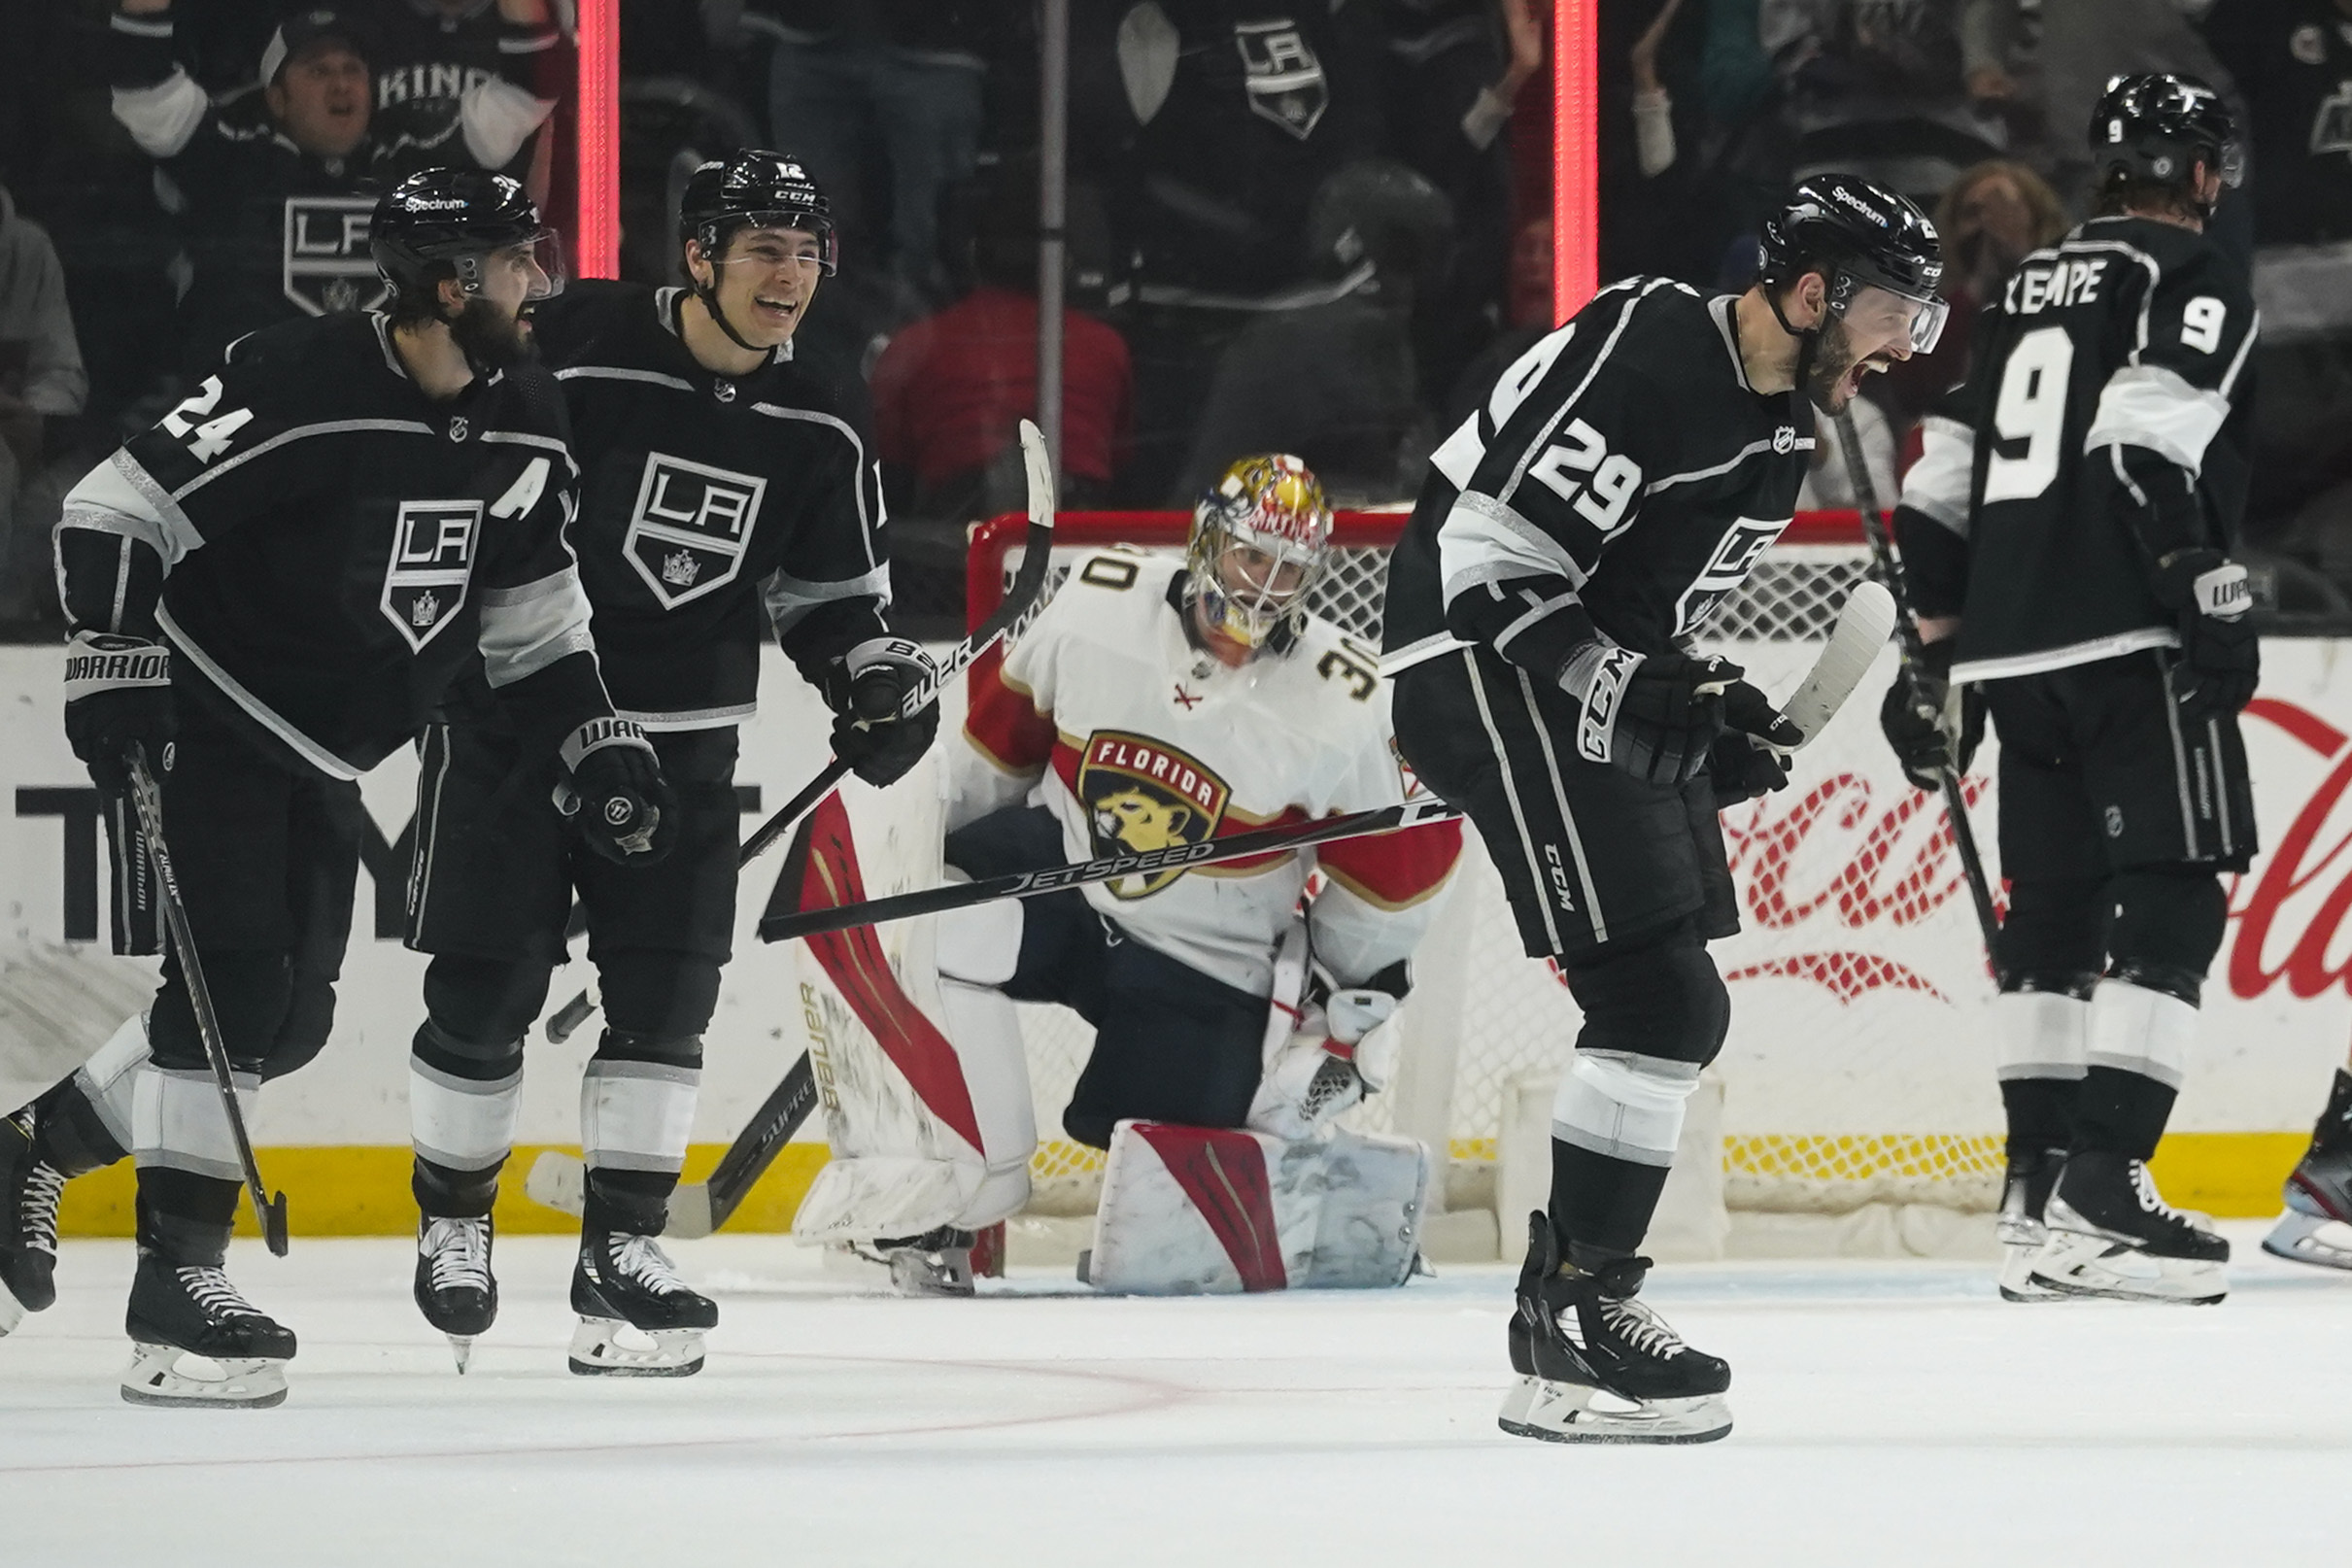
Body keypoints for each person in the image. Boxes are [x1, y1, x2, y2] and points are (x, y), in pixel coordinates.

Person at [0, 170, 675, 1408]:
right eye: (521, 260)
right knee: (237, 986)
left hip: (326, 748)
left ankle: (32, 1149)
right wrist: (112, 664)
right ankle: (177, 1293)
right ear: (447, 281)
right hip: (207, 709)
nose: (543, 283)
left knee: (287, 1022)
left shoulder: (525, 407)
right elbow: (110, 509)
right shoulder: (292, 376)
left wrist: (598, 735)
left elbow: (530, 614)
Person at [1382, 173, 1948, 1442]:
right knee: (1656, 994)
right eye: (1893, 308)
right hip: (1479, 663)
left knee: (1675, 1000)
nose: (1907, 342)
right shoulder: (1649, 339)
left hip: (1561, 664)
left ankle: (1577, 1307)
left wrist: (1713, 719)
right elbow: (1488, 565)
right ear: (1812, 293)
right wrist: (1636, 693)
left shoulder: (1786, 437)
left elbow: (1649, 621)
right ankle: (1574, 1317)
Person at [396, 151, 934, 1376]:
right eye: (763, 251)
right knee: (484, 992)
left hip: (685, 747)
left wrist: (872, 677)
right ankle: (455, 1223)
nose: (789, 277)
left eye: (806, 254)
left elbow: (830, 597)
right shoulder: (572, 340)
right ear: (698, 257)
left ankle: (623, 1253)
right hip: (518, 721)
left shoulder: (824, 413)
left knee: (666, 1006)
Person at [816, 455, 1460, 1294]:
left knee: (1173, 1217)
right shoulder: (1098, 604)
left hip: (1205, 961)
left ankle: (1307, 1181)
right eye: (1251, 556)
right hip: (1068, 897)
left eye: (1291, 568)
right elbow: (991, 762)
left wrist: (1335, 1016)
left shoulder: (1345, 699)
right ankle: (959, 1194)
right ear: (1206, 540)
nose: (1266, 587)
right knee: (937, 922)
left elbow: (1396, 879)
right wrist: (900, 872)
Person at [1881, 75, 2256, 1307]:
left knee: (2047, 923)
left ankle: (2035, 1199)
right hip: (2124, 633)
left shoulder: (2024, 286)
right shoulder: (2185, 271)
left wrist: (1935, 647)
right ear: (2202, 170)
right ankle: (2107, 1187)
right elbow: (2146, 440)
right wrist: (2193, 575)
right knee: (2172, 905)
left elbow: (1941, 476)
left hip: (2009, 652)